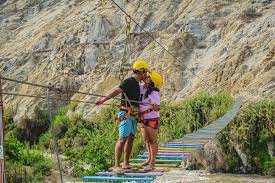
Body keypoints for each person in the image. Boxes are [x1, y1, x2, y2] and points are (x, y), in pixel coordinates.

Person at [95, 60, 151, 172]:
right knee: (122, 139)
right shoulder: (129, 81)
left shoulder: (137, 84)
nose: (146, 75)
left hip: (134, 115)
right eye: (145, 72)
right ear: (141, 71)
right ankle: (116, 165)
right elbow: (117, 90)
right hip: (126, 113)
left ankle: (126, 162)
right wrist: (104, 99)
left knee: (130, 139)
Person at [138, 71, 163, 171]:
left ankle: (152, 162)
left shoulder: (154, 92)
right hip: (142, 118)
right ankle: (149, 159)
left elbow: (157, 108)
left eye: (148, 77)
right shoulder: (141, 87)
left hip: (151, 117)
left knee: (152, 140)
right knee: (146, 140)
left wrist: (154, 105)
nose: (146, 77)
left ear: (152, 81)